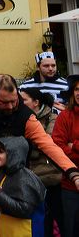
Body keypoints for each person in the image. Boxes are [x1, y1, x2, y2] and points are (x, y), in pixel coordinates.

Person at [0, 74, 79, 237]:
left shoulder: (26, 116)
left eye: (14, 100)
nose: (10, 106)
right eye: (4, 102)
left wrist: (72, 172)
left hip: (13, 185)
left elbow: (49, 145)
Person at [20, 88, 63, 236]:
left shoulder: (52, 117)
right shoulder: (20, 119)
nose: (20, 103)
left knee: (56, 221)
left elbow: (48, 144)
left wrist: (31, 146)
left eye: (24, 100)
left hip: (50, 178)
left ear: (36, 102)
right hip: (29, 180)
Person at [0, 136, 46, 236]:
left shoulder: (25, 178)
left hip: (23, 231)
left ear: (13, 154)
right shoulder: (3, 173)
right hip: (7, 229)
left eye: (1, 152)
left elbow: (25, 210)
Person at [52, 75, 79, 237]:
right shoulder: (64, 117)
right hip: (70, 185)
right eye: (77, 89)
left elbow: (67, 146)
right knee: (71, 228)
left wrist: (74, 145)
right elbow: (58, 147)